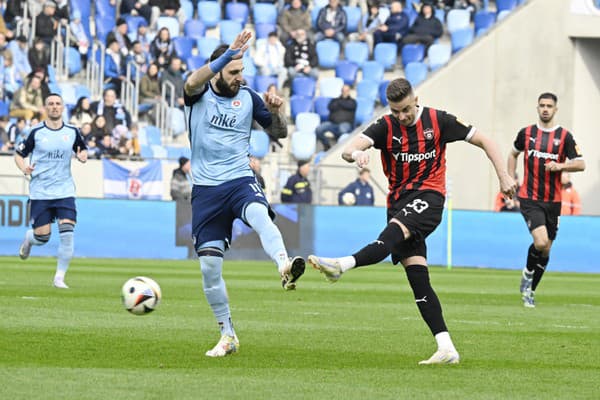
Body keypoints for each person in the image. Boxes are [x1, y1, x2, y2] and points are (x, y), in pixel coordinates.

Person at [308, 78, 517, 365]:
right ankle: (446, 347)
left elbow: (486, 140)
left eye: (406, 109)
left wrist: (504, 177)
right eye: (396, 111)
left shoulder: (438, 120)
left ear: (415, 99)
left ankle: (341, 265)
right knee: (418, 279)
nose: (402, 116)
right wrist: (356, 153)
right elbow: (349, 148)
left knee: (389, 237)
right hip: (398, 203)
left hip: (429, 198)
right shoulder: (385, 126)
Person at [183, 30, 306, 357]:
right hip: (206, 190)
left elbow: (279, 133)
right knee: (209, 267)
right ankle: (228, 334)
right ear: (219, 69)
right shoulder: (197, 93)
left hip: (239, 179)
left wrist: (277, 110)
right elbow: (193, 81)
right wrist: (226, 56)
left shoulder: (249, 98)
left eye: (241, 71)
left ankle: (284, 266)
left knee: (259, 215)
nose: (240, 77)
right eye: (233, 72)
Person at [508, 92, 585, 308]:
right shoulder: (526, 133)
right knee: (540, 242)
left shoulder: (564, 137)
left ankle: (530, 290)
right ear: (537, 107)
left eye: (549, 106)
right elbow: (512, 154)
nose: (545, 109)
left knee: (547, 248)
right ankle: (527, 272)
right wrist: (509, 178)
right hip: (530, 197)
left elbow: (581, 163)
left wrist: (560, 166)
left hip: (554, 201)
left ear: (555, 109)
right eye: (541, 105)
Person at [14, 92, 88, 289]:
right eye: (51, 104)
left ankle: (59, 278)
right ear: (46, 108)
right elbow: (19, 154)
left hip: (65, 190)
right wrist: (24, 168)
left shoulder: (72, 131)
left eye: (58, 104)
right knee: (42, 237)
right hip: (40, 192)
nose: (55, 107)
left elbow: (82, 148)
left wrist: (82, 156)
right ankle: (29, 239)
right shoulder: (36, 132)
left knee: (67, 233)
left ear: (63, 108)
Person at [315, 84, 357, 151]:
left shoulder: (352, 101)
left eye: (346, 90)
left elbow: (349, 106)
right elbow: (330, 107)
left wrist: (339, 103)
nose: (344, 92)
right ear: (341, 91)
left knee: (342, 129)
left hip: (345, 124)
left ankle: (340, 149)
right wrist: (341, 103)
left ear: (349, 91)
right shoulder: (334, 100)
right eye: (343, 90)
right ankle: (327, 146)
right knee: (319, 129)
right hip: (332, 124)